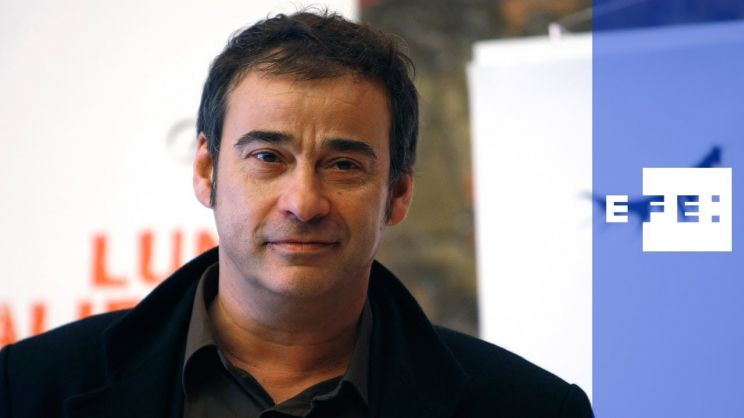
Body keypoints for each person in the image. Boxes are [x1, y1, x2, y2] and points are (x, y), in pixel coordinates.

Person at [0, 11, 593, 418]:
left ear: (399, 193)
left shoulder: (531, 409)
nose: (304, 202)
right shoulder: (27, 389)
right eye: (268, 157)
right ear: (206, 171)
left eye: (344, 165)